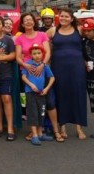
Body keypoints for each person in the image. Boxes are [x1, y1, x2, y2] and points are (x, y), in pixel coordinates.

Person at [15, 13, 64, 143]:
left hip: (43, 72)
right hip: (28, 74)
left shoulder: (42, 35)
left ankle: (56, 131)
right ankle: (35, 132)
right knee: (32, 105)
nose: (28, 22)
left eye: (30, 20)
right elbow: (18, 57)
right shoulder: (19, 38)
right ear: (22, 23)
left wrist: (43, 64)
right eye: (25, 20)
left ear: (34, 22)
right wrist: (25, 65)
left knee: (50, 103)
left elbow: (48, 52)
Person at [46, 8, 87, 140]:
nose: (63, 18)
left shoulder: (79, 30)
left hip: (77, 68)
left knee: (78, 95)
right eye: (61, 16)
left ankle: (79, 128)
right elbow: (38, 39)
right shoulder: (53, 31)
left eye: (66, 17)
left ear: (72, 19)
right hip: (58, 68)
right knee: (61, 96)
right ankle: (62, 127)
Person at [21, 44, 55, 146]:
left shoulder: (45, 66)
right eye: (34, 53)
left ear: (43, 54)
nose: (37, 55)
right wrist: (31, 85)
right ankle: (34, 135)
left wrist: (46, 88)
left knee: (41, 113)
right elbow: (23, 77)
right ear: (31, 55)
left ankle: (40, 134)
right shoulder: (28, 64)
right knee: (32, 113)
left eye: (39, 53)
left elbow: (52, 77)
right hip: (30, 92)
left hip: (41, 93)